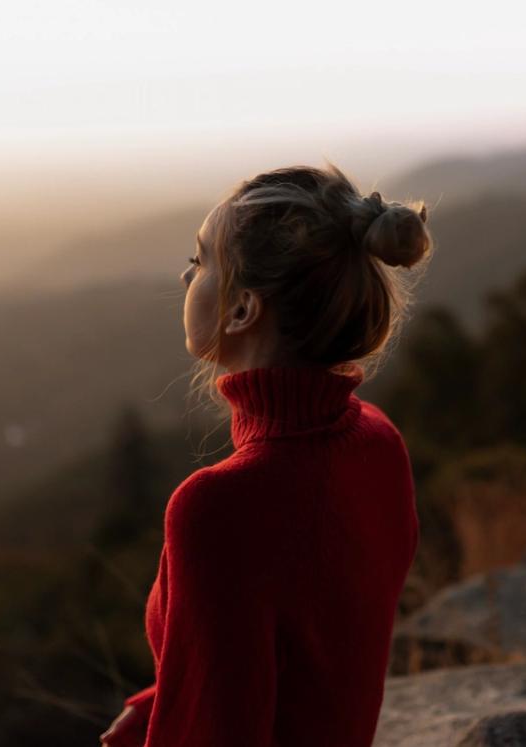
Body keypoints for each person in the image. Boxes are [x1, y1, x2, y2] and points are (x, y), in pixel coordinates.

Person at [99, 161, 433, 746]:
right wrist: (163, 701)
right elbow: (309, 647)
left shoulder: (218, 508)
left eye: (201, 261)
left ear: (242, 310)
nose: (186, 277)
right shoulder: (377, 441)